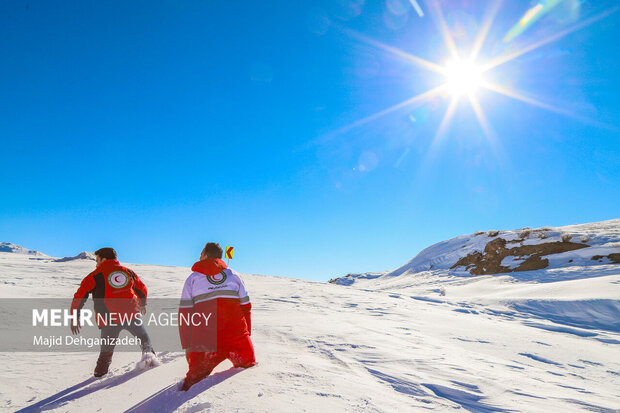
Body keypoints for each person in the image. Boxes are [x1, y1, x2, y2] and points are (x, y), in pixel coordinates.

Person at [179, 242, 256, 390]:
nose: (199, 256)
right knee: (248, 367)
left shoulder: (192, 279)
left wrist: (187, 345)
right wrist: (246, 334)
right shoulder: (234, 275)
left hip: (204, 341)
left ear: (206, 255)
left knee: (192, 381)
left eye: (201, 253)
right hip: (237, 338)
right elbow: (246, 306)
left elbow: (185, 313)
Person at [70, 247, 158, 377]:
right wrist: (142, 303)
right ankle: (154, 370)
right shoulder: (128, 272)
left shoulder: (94, 275)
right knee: (145, 343)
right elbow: (141, 288)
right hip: (132, 316)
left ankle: (99, 376)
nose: (96, 263)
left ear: (104, 259)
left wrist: (74, 316)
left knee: (106, 353)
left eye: (97, 260)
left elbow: (80, 296)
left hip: (109, 319)